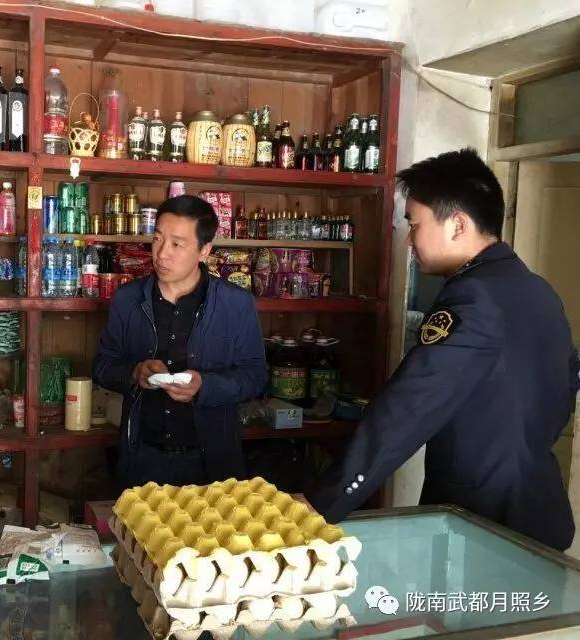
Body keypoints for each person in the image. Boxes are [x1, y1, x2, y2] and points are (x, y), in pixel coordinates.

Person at [306, 148, 579, 551]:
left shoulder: (474, 297)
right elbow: (563, 391)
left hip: (483, 527)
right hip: (538, 513)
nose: (409, 240)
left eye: (414, 224)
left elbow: (409, 406)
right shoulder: (539, 291)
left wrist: (323, 502)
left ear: (458, 224)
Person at [93, 195, 267, 490]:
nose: (162, 254)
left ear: (204, 250)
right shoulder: (127, 299)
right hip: (142, 458)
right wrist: (135, 373)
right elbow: (102, 366)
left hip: (212, 463)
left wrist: (205, 386)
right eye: (157, 239)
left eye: (177, 244)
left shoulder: (236, 304)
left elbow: (255, 376)